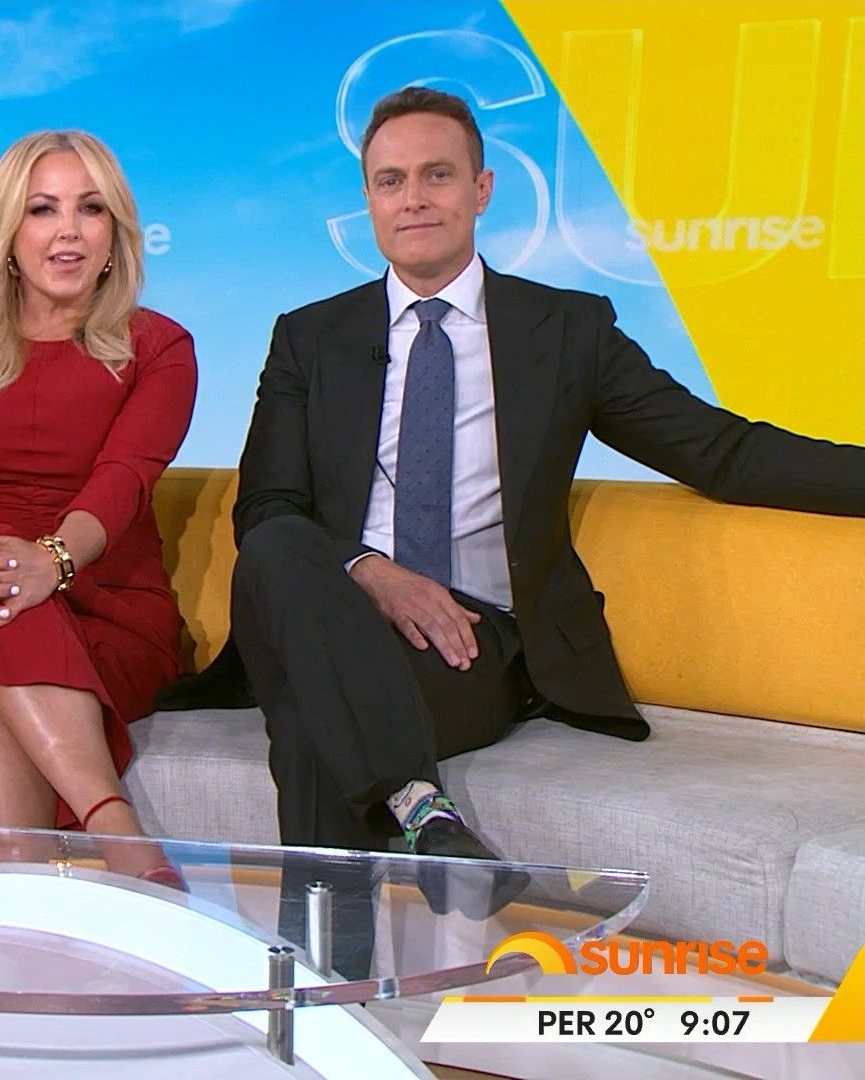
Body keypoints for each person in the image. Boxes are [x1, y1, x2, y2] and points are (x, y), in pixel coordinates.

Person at [160, 86, 865, 874]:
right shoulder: (310, 337)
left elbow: (721, 453)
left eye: (437, 175)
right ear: (369, 201)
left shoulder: (566, 330)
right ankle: (417, 809)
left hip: (473, 643)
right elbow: (266, 507)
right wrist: (375, 575)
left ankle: (346, 925)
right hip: (330, 607)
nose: (413, 198)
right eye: (390, 181)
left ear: (482, 189)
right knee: (278, 547)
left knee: (311, 717)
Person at [0, 130, 198, 883]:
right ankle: (119, 834)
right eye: (42, 209)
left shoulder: (160, 348)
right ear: (8, 232)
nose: (68, 231)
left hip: (102, 599)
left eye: (90, 209)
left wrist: (50, 561)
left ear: (115, 233)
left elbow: (124, 479)